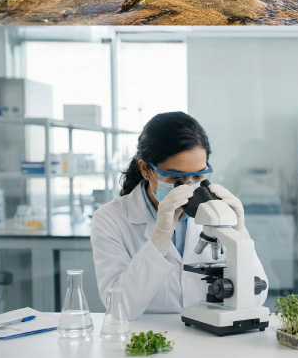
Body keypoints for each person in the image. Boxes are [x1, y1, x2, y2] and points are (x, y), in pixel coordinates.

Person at [91, 111, 267, 320]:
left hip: (209, 337)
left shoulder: (216, 210)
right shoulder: (110, 218)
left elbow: (257, 299)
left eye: (198, 175)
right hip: (149, 339)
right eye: (175, 177)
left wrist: (239, 235)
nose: (189, 186)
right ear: (146, 169)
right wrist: (159, 240)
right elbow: (119, 309)